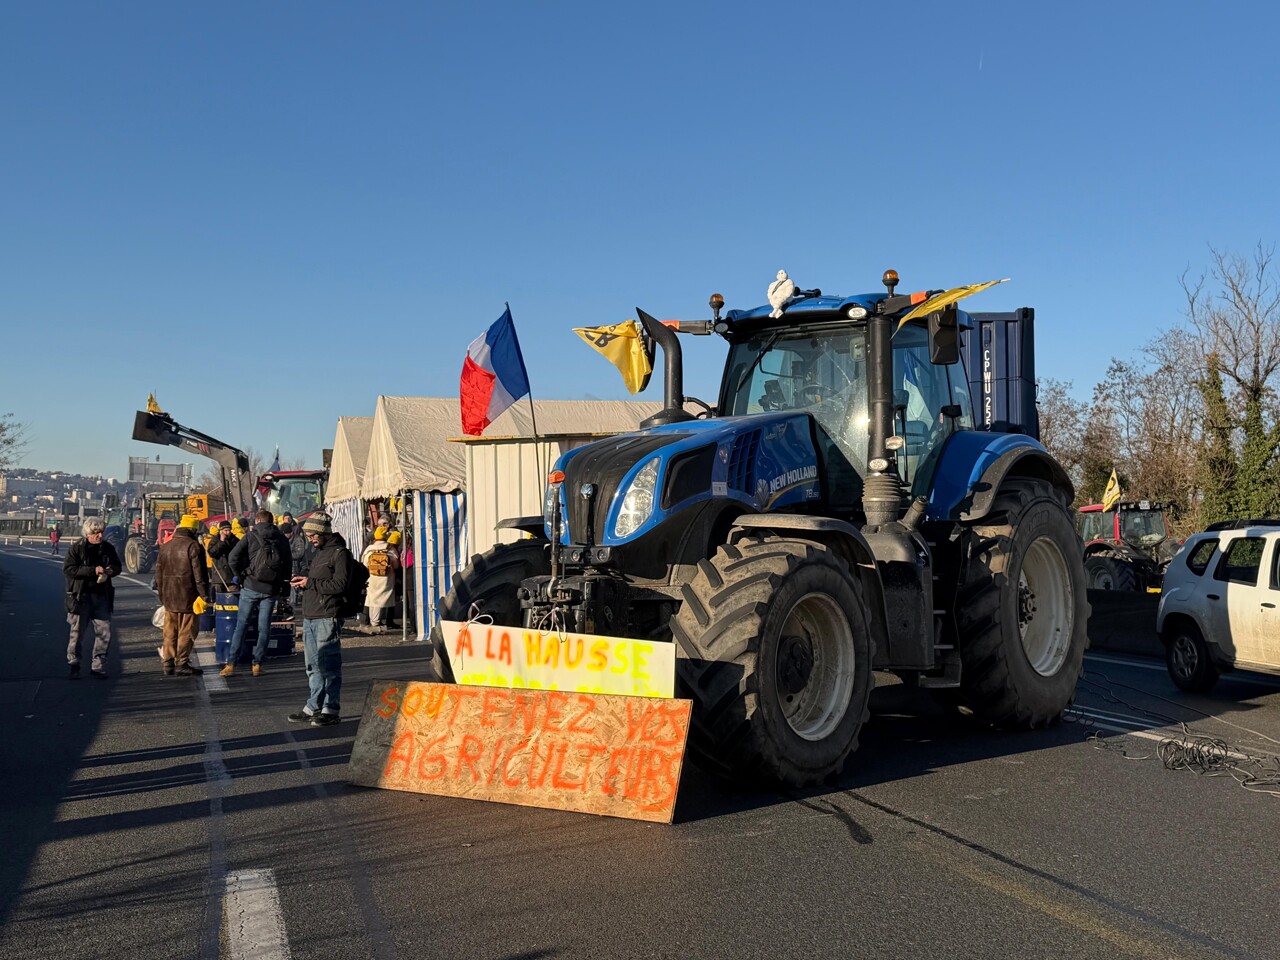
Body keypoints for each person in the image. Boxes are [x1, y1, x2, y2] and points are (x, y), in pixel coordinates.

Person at [288, 512, 351, 727]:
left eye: (313, 535)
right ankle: (314, 706)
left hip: (327, 616)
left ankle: (331, 708)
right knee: (312, 666)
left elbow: (340, 585)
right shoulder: (319, 553)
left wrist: (310, 583)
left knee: (329, 665)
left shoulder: (340, 553)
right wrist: (305, 581)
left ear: (324, 532)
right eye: (308, 535)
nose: (311, 539)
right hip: (311, 616)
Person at [221, 509, 292, 677]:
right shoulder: (282, 539)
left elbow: (232, 558)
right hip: (271, 589)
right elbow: (288, 565)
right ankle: (257, 664)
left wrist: (240, 575)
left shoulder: (251, 536)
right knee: (264, 628)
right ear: (273, 521)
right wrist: (284, 589)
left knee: (242, 625)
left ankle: (231, 664)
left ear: (258, 521)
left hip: (250, 586)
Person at [63, 517, 121, 678]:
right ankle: (74, 664)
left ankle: (98, 666)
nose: (100, 536)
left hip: (102, 596)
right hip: (80, 597)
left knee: (105, 632)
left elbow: (118, 566)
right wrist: (92, 571)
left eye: (101, 532)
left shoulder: (108, 548)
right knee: (77, 633)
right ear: (88, 533)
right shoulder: (77, 548)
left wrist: (112, 570)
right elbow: (69, 570)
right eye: (96, 533)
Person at [155, 514, 210, 676]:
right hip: (189, 596)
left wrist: (162, 596)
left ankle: (168, 663)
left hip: (169, 597)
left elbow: (158, 575)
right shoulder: (193, 546)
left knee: (170, 631)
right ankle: (182, 663)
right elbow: (199, 575)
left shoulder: (165, 546)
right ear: (192, 530)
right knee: (187, 631)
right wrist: (204, 595)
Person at [359, 526, 399, 634]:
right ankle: (376, 623)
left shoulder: (369, 548)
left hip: (372, 577)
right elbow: (396, 565)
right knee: (382, 600)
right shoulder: (390, 548)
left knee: (373, 599)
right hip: (386, 578)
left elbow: (364, 563)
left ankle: (374, 621)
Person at [206, 520, 238, 593]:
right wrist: (221, 542)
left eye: (229, 530)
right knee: (219, 597)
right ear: (221, 531)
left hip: (231, 575)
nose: (228, 532)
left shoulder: (235, 540)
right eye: (225, 530)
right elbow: (211, 553)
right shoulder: (214, 540)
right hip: (219, 575)